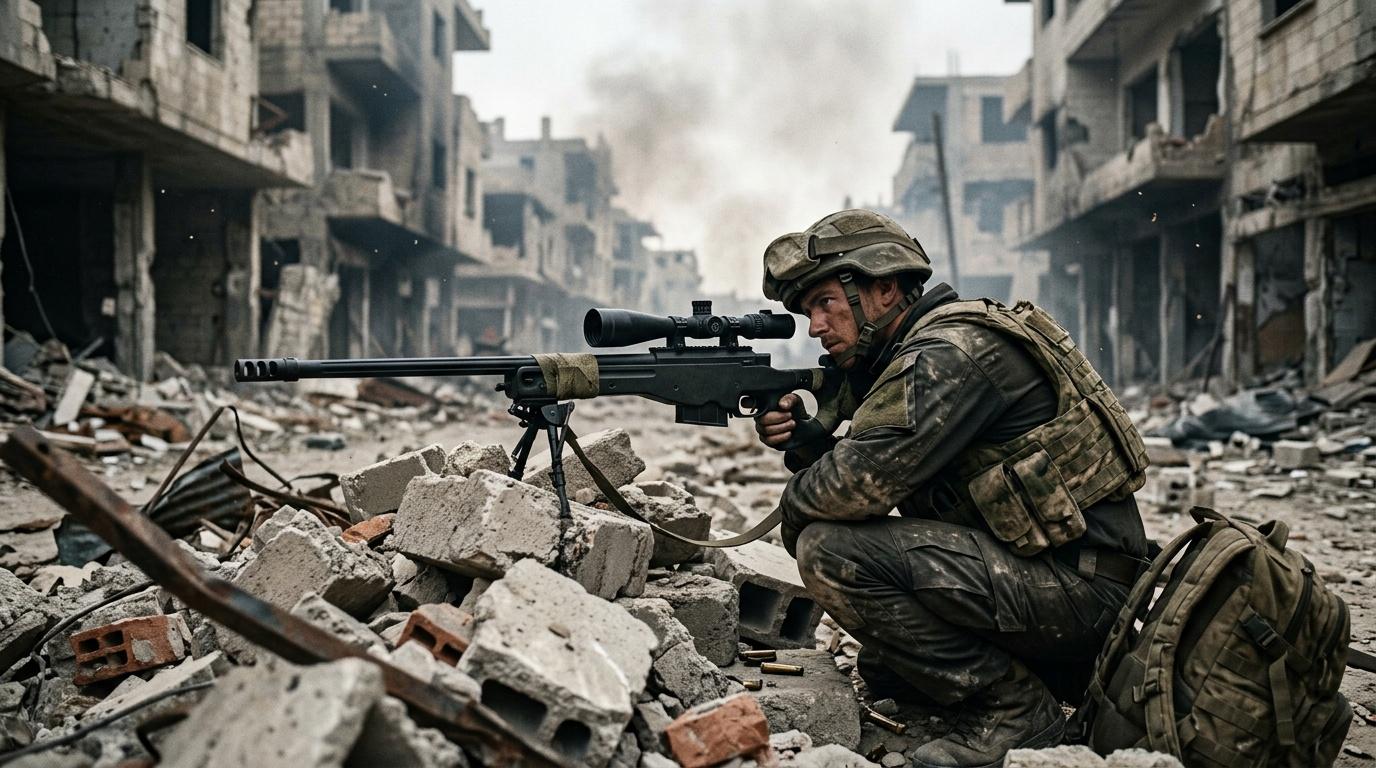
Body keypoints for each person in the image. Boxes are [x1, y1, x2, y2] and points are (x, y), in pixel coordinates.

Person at [755, 209, 1151, 768]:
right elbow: (878, 468)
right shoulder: (930, 344)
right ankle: (1014, 678)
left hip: (1081, 595)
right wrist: (805, 442)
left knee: (829, 552)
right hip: (1062, 578)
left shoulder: (948, 353)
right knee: (884, 664)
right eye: (808, 312)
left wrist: (799, 503)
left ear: (884, 287)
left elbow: (851, 487)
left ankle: (1013, 709)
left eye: (825, 304)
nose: (816, 327)